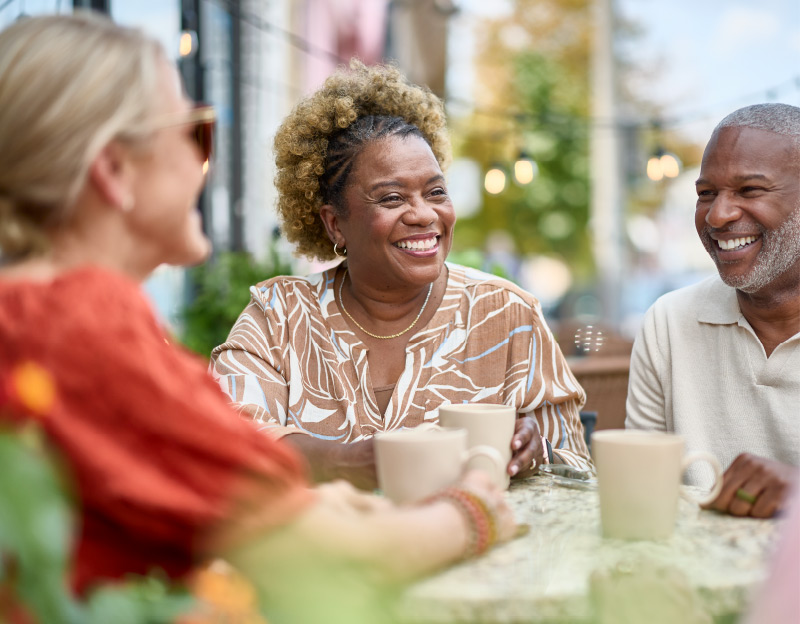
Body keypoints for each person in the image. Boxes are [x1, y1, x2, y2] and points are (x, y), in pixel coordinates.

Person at [0, 13, 515, 622]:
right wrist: (476, 505)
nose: (204, 163)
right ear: (114, 171)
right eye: (196, 133)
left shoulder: (28, 315)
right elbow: (338, 561)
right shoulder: (79, 324)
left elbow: (243, 509)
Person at [209, 61, 591, 490]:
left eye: (436, 192)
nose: (424, 214)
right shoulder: (279, 317)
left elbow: (577, 471)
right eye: (391, 198)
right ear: (335, 224)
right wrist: (342, 461)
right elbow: (227, 442)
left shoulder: (505, 314)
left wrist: (537, 451)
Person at [626, 103, 800, 519]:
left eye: (750, 190)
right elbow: (639, 492)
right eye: (706, 194)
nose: (718, 215)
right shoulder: (669, 322)